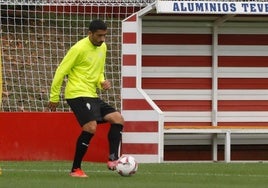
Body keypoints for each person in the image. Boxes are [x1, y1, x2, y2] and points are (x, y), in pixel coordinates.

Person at [48, 19, 124, 178]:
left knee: (117, 118)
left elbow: (99, 69)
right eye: (99, 35)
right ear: (90, 33)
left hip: (92, 94)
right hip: (76, 94)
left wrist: (101, 81)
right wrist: (54, 97)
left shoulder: (102, 46)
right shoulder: (78, 49)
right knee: (90, 127)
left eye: (105, 36)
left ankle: (112, 158)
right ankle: (75, 169)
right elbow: (61, 71)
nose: (102, 39)